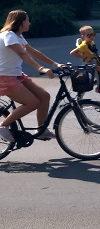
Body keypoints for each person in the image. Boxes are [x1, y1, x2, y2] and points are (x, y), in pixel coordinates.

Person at [0, 10, 64, 142]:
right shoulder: (8, 35)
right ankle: (3, 126)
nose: (29, 23)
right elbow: (22, 54)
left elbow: (33, 52)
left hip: (16, 74)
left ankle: (41, 130)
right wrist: (41, 68)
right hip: (5, 77)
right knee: (32, 102)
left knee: (44, 96)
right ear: (20, 22)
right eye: (27, 20)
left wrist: (55, 64)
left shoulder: (19, 36)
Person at [69, 25, 100, 95]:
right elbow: (72, 53)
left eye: (93, 34)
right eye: (89, 35)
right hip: (90, 65)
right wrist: (83, 57)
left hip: (95, 61)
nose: (92, 37)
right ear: (83, 36)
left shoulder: (91, 42)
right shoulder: (84, 45)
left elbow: (94, 53)